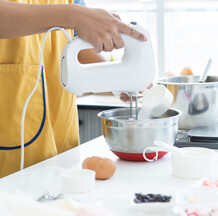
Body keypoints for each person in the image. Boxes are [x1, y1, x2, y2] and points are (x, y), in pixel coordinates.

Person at [0, 0, 147, 177]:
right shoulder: (73, 12)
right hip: (9, 111)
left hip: (58, 112)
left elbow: (76, 39)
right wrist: (74, 15)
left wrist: (117, 77)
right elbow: (74, 19)